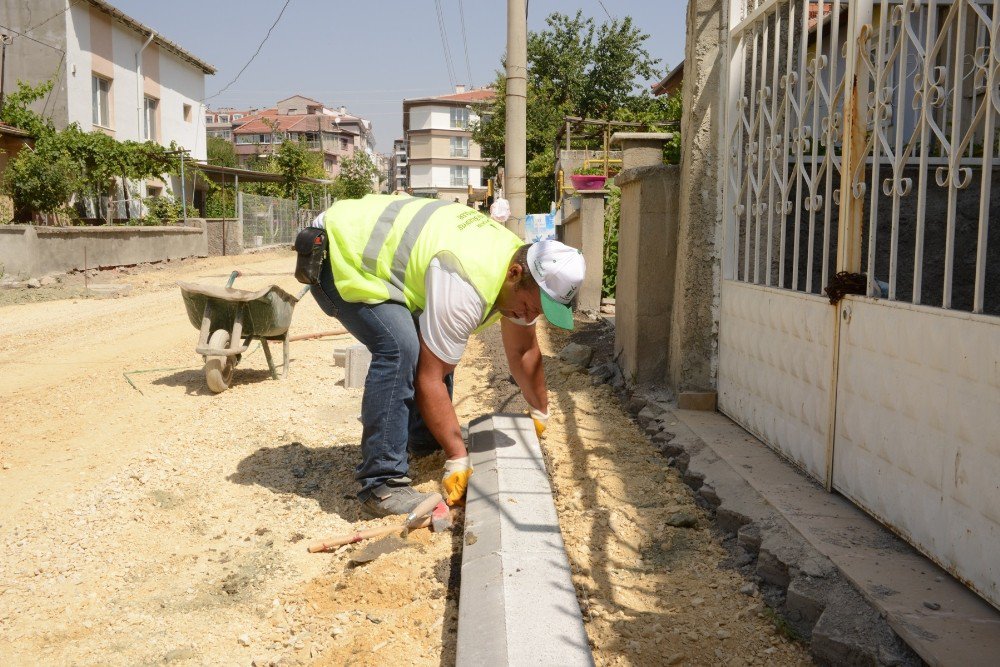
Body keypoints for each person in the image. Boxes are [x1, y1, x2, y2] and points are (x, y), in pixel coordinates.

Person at [310, 194, 585, 517]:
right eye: (529, 307)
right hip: (341, 251)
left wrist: (540, 411)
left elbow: (524, 349)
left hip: (380, 256)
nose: (527, 316)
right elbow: (430, 377)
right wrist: (458, 457)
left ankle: (425, 440)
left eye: (536, 312)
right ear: (515, 273)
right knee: (401, 348)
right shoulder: (467, 280)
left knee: (439, 343)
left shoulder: (519, 267)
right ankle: (381, 484)